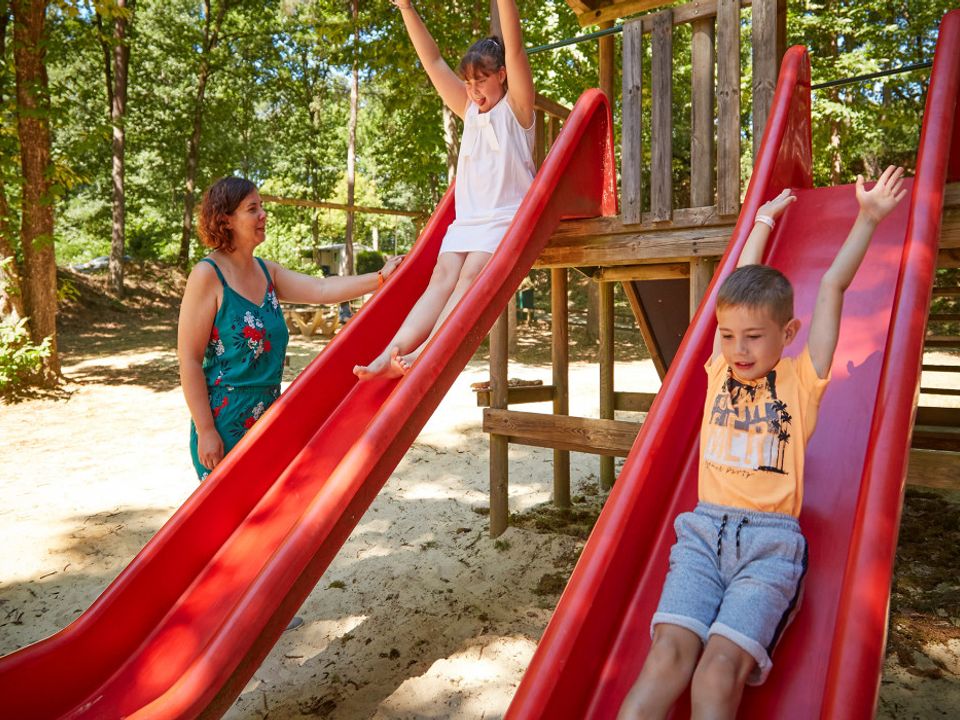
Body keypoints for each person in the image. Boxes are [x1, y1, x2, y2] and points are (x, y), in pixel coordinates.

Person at [617, 166, 908, 720]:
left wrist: (867, 219)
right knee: (666, 657)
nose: (738, 348)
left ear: (787, 335)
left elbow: (832, 287)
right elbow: (736, 288)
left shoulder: (801, 381)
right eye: (729, 336)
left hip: (769, 549)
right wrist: (763, 221)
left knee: (717, 669)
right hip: (701, 535)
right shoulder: (717, 369)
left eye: (754, 337)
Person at [353, 0, 536, 379]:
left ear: (502, 75)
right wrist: (405, 8)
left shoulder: (517, 111)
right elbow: (433, 63)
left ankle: (425, 352)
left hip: (505, 219)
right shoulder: (469, 111)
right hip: (468, 222)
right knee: (441, 277)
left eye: (481, 81)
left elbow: (515, 47)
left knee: (469, 276)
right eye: (468, 83)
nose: (472, 90)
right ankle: (392, 353)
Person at [178, 176, 402, 481]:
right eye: (252, 209)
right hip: (222, 423)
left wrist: (380, 279)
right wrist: (205, 429)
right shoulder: (207, 275)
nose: (263, 215)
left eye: (262, 207)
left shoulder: (266, 271)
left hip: (270, 420)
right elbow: (189, 359)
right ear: (225, 219)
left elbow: (322, 290)